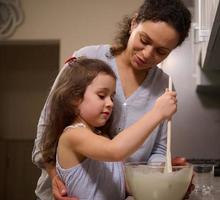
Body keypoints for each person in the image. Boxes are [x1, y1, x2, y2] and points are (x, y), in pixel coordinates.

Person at [32, 0, 191, 199]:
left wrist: (160, 178)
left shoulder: (165, 86)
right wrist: (55, 175)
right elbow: (49, 123)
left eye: (161, 51)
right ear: (134, 23)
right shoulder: (86, 58)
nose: (147, 54)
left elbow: (158, 149)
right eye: (144, 40)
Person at [40, 57, 177, 199]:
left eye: (112, 97)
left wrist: (169, 182)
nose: (110, 103)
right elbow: (115, 150)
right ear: (75, 98)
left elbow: (123, 186)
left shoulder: (102, 137)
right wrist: (157, 113)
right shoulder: (73, 135)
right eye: (101, 96)